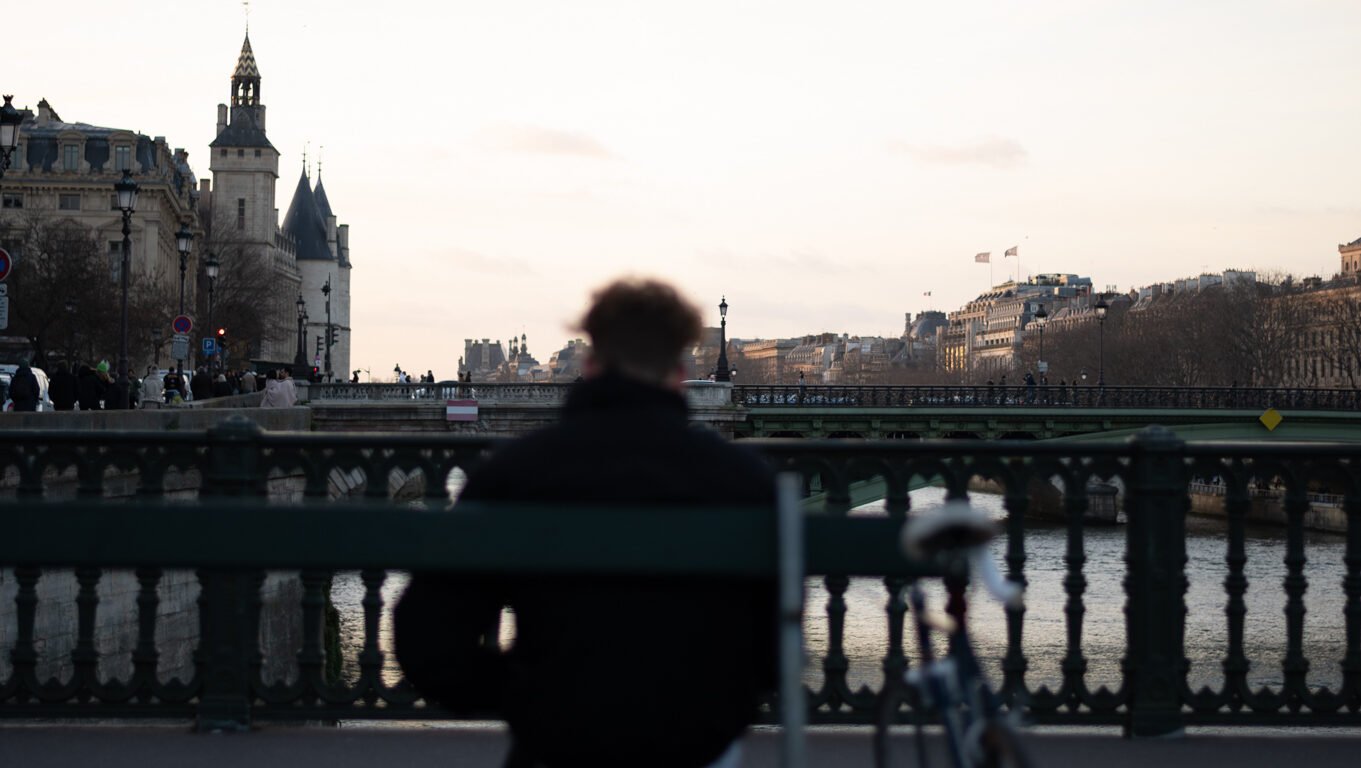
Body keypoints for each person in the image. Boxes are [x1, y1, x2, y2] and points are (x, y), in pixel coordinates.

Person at [395, 279, 777, 768]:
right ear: (680, 374)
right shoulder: (744, 481)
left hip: (556, 743)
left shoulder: (515, 472)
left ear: (591, 366)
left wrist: (529, 694)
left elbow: (427, 642)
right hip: (694, 745)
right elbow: (768, 654)